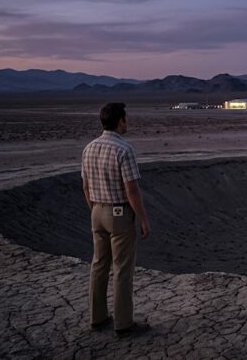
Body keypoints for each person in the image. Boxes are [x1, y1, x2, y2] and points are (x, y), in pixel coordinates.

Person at [81, 102, 151, 338]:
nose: (127, 123)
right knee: (122, 269)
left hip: (97, 211)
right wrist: (142, 219)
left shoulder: (89, 148)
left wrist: (95, 209)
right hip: (119, 214)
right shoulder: (124, 149)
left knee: (99, 265)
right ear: (120, 121)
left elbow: (85, 185)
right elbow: (132, 190)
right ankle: (123, 323)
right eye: (125, 119)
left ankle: (97, 317)